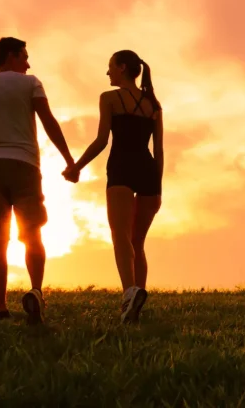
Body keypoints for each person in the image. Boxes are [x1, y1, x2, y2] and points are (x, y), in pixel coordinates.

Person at [0, 37, 76, 324]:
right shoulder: (30, 83)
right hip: (25, 165)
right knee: (32, 233)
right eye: (24, 56)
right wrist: (68, 159)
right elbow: (48, 121)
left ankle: (0, 308)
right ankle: (35, 292)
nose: (28, 63)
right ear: (11, 56)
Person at [62, 50, 164, 324]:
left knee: (120, 235)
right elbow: (159, 150)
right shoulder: (153, 104)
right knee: (137, 241)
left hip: (121, 168)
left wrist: (76, 167)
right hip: (148, 171)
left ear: (121, 68)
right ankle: (137, 299)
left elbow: (101, 141)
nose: (107, 72)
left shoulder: (109, 98)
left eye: (110, 67)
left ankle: (129, 294)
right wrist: (159, 187)